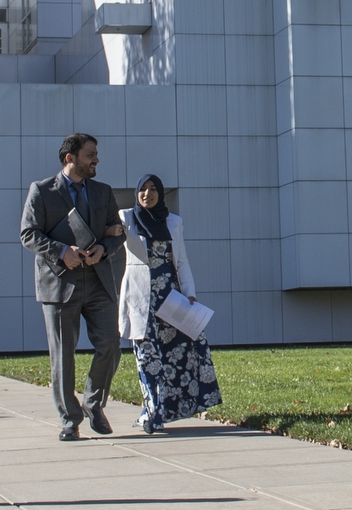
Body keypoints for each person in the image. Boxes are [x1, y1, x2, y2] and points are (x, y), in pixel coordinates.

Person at [19, 132, 127, 440]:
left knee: (110, 344)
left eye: (95, 154)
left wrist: (104, 249)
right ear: (71, 158)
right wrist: (61, 251)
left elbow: (116, 233)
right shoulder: (41, 191)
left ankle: (94, 403)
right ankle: (70, 419)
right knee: (63, 355)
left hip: (98, 282)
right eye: (90, 154)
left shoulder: (103, 192)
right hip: (58, 285)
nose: (96, 159)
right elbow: (28, 234)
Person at [119, 175, 222, 434]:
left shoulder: (173, 222)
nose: (147, 194)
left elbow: (182, 261)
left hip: (171, 298)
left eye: (153, 189)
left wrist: (190, 293)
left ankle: (169, 408)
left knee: (181, 352)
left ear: (161, 193)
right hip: (141, 297)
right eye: (142, 189)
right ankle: (153, 413)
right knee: (147, 356)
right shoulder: (125, 218)